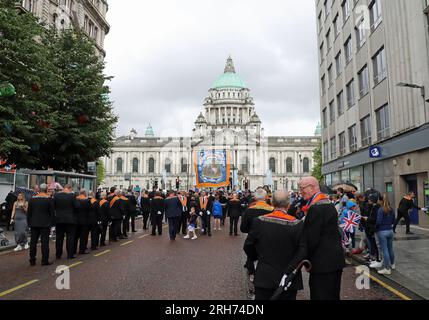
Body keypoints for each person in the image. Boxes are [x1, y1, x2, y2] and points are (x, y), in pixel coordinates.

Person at [287, 177, 345, 300]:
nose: (300, 191)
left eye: (302, 188)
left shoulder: (316, 208)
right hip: (333, 261)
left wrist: (300, 259)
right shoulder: (327, 203)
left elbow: (311, 239)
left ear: (312, 187)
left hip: (322, 264)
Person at [244, 190, 304, 300]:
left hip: (264, 275)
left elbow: (248, 245)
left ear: (271, 203)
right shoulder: (298, 224)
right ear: (288, 204)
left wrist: (256, 257)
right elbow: (302, 251)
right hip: (288, 278)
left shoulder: (259, 221)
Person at [27, 184, 54, 266]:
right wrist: (52, 224)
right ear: (46, 190)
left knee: (33, 242)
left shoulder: (32, 199)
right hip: (45, 224)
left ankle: (32, 260)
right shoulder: (49, 200)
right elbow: (52, 213)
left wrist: (29, 223)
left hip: (34, 223)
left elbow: (29, 213)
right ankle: (44, 260)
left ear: (39, 190)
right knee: (45, 243)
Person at [53, 184, 79, 260]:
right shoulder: (72, 196)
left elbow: (53, 206)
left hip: (59, 219)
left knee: (59, 237)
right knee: (70, 237)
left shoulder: (56, 195)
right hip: (70, 220)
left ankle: (58, 254)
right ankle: (70, 254)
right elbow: (77, 206)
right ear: (69, 188)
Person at [376, 194, 396, 275]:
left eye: (378, 200)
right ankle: (393, 264)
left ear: (381, 201)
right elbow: (393, 220)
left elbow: (378, 221)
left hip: (382, 231)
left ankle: (387, 268)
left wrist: (376, 228)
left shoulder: (380, 210)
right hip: (390, 231)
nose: (377, 201)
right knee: (390, 248)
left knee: (385, 250)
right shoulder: (391, 209)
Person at [366, 194, 382, 268]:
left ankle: (378, 260)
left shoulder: (376, 208)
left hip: (375, 228)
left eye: (369, 200)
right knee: (375, 244)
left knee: (377, 245)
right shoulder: (373, 207)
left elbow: (375, 219)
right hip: (372, 228)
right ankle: (376, 259)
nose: (368, 201)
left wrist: (367, 219)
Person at [74, 189, 91, 255]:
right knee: (83, 237)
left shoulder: (76, 200)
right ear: (84, 193)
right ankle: (82, 250)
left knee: (75, 237)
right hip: (85, 221)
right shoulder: (87, 201)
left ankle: (73, 250)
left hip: (76, 221)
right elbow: (90, 210)